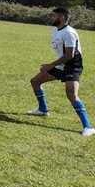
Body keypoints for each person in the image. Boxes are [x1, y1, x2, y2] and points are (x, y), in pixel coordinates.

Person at [28, 7, 94, 137]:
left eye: (54, 15)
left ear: (62, 17)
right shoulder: (56, 30)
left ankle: (88, 127)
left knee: (72, 95)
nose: (51, 17)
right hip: (61, 65)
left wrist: (49, 65)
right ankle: (43, 109)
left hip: (72, 66)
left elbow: (69, 55)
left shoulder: (69, 32)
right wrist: (52, 66)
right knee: (35, 81)